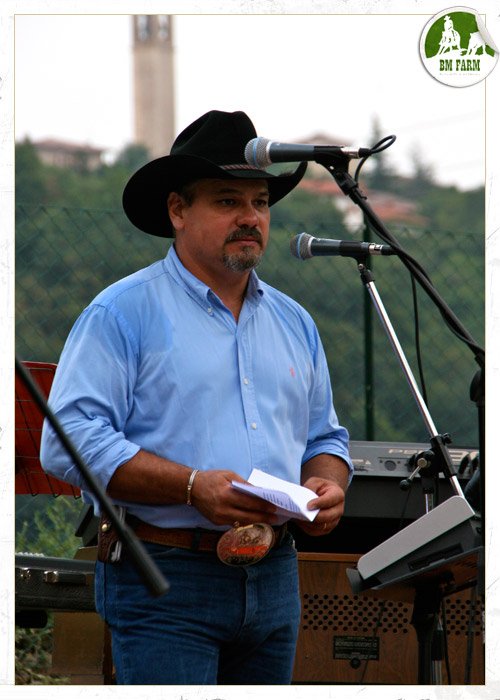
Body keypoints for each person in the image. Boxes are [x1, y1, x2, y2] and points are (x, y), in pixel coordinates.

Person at [40, 109, 353, 685]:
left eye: (260, 202)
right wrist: (191, 486)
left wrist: (327, 484)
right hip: (165, 574)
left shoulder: (296, 322)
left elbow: (325, 437)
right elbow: (68, 442)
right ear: (177, 210)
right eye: (227, 201)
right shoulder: (121, 312)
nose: (250, 217)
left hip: (276, 573)